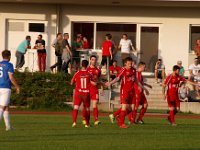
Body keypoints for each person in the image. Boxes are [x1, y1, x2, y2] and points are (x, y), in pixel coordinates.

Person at [106, 57, 148, 128]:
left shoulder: (134, 70)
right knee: (124, 107)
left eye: (131, 63)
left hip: (132, 92)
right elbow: (118, 78)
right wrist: (110, 83)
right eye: (129, 63)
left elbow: (136, 81)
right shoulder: (123, 70)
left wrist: (144, 88)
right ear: (125, 64)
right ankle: (121, 124)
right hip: (125, 91)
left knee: (131, 108)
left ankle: (118, 117)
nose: (130, 64)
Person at [0, 50, 20, 131]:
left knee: (6, 107)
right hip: (5, 88)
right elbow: (11, 77)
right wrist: (17, 87)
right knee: (2, 107)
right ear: (9, 56)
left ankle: (8, 127)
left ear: (2, 56)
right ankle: (8, 127)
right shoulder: (9, 65)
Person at [71, 60, 94, 128]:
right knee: (87, 109)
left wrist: (75, 83)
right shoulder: (89, 73)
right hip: (86, 93)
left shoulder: (77, 73)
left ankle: (74, 122)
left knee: (76, 108)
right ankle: (87, 124)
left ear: (81, 65)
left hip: (78, 93)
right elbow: (93, 82)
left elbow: (71, 82)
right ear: (87, 65)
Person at [84, 55, 102, 126]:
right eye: (92, 60)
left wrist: (101, 87)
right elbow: (85, 79)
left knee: (95, 104)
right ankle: (85, 119)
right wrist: (92, 82)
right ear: (90, 60)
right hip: (88, 89)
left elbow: (99, 79)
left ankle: (96, 120)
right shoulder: (87, 70)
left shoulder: (98, 70)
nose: (93, 61)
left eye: (95, 60)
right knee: (87, 106)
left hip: (95, 89)